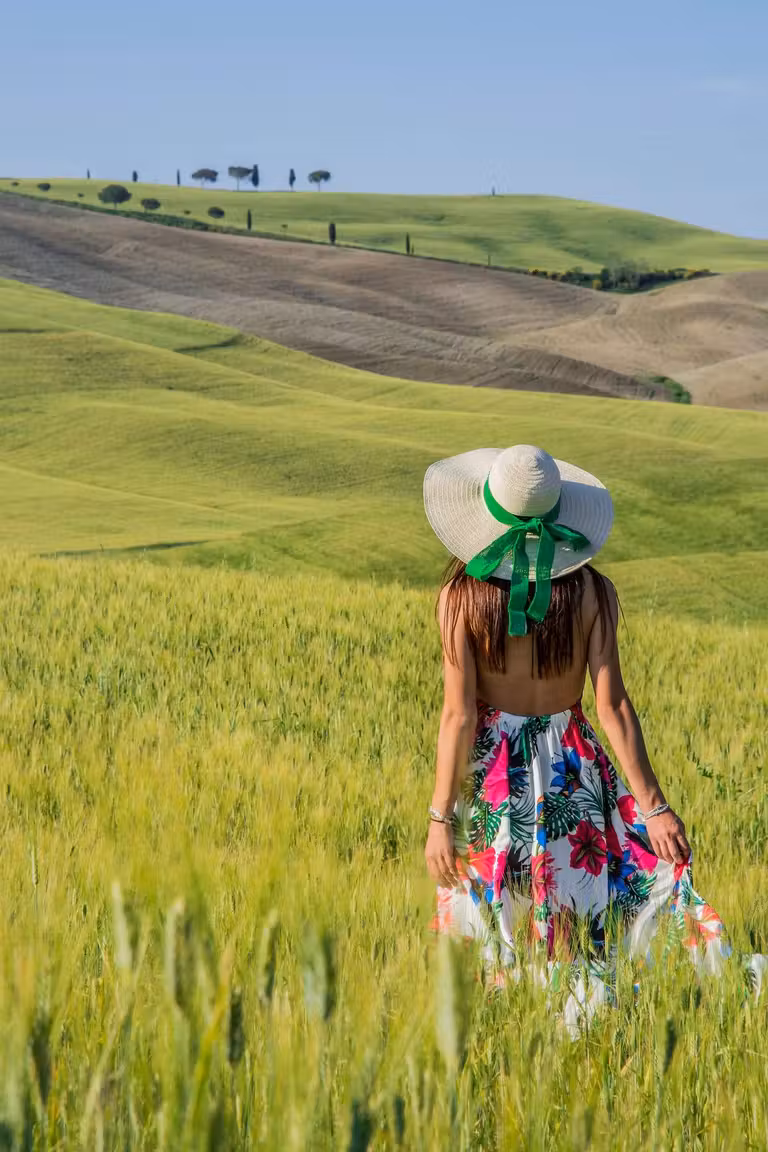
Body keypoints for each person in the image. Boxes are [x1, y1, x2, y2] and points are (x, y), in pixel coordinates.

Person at [422, 443, 764, 1028]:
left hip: (495, 776)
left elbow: (457, 717)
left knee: (501, 903)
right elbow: (613, 707)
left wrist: (439, 819)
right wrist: (654, 808)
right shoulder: (589, 592)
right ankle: (587, 1004)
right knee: (580, 896)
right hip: (571, 768)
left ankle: (525, 1015)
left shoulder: (463, 598)